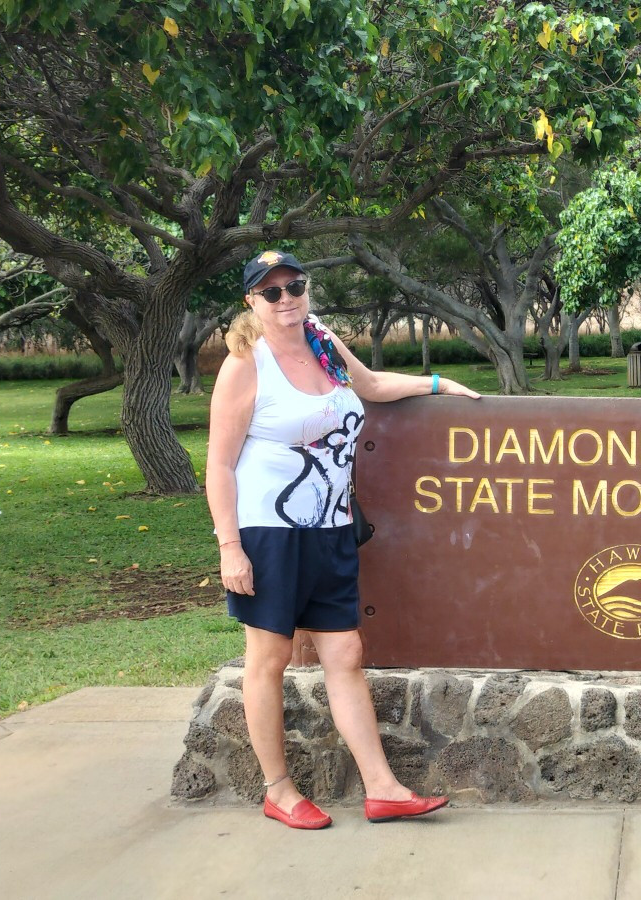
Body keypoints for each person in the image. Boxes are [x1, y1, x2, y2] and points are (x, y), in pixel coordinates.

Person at [207, 250, 480, 830]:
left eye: (295, 286)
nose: (288, 299)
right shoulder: (246, 363)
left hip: (331, 526)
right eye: (273, 292)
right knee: (271, 657)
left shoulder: (323, 342)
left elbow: (373, 385)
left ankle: (383, 788)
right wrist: (230, 547)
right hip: (269, 531)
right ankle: (278, 790)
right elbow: (220, 464)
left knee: (345, 653)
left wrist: (436, 383)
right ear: (252, 301)